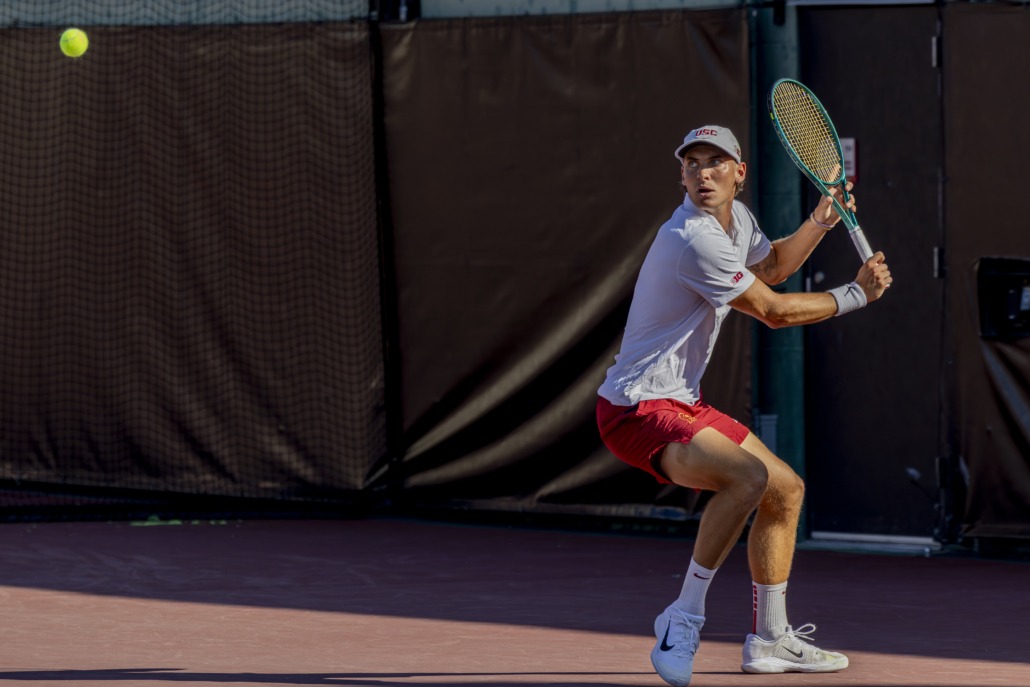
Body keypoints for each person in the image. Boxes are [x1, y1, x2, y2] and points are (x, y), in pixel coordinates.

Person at [596, 125, 892, 687]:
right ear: (681, 174)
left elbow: (774, 267)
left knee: (786, 489)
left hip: (682, 402)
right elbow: (774, 309)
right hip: (634, 410)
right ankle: (681, 619)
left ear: (739, 173)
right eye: (693, 165)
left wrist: (821, 220)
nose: (703, 174)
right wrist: (856, 295)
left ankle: (771, 639)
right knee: (746, 478)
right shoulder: (690, 237)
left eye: (715, 163)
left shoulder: (738, 220)